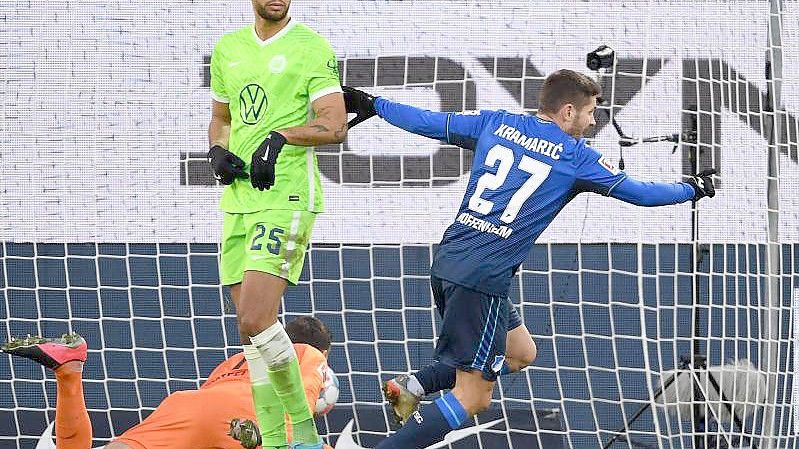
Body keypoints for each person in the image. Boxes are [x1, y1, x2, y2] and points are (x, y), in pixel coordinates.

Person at [342, 69, 716, 449]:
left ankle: (415, 384)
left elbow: (430, 122)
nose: (591, 123)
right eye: (590, 114)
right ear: (568, 111)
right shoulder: (576, 156)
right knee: (475, 397)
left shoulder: (495, 123)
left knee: (520, 352)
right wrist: (693, 188)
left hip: (450, 261)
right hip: (483, 279)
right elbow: (640, 193)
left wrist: (375, 105)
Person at [206, 0, 347, 447]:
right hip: (238, 201)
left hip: (286, 197)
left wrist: (281, 136)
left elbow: (335, 125)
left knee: (255, 317)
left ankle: (303, 435)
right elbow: (221, 118)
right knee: (252, 333)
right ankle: (275, 440)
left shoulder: (311, 47)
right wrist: (216, 150)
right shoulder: (228, 48)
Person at [1, 316, 336, 449]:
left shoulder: (236, 359)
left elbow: (210, 409)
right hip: (251, 421)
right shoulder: (309, 355)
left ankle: (69, 372)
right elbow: (303, 404)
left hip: (188, 406)